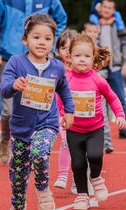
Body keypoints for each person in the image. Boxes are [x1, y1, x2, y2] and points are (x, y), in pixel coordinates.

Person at [0, 14, 74, 210]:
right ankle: (18, 204)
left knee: (40, 154)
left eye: (47, 38)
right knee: (18, 174)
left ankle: (43, 191)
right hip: (21, 127)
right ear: (25, 39)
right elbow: (4, 88)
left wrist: (69, 111)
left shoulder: (57, 67)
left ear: (53, 41)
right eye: (36, 37)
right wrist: (14, 85)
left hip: (47, 124)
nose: (42, 42)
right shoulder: (16, 62)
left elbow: (64, 90)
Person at [0, 0, 68, 165]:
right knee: (9, 110)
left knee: (36, 106)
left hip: (40, 61)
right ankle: (5, 138)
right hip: (8, 57)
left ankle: (35, 147)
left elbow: (61, 20)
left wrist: (51, 48)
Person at [66, 34, 126, 210]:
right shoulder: (66, 79)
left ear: (93, 58)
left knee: (94, 156)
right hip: (74, 130)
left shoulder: (98, 79)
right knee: (77, 164)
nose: (82, 59)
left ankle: (97, 177)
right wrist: (62, 114)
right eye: (77, 56)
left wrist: (120, 115)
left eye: (86, 56)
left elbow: (113, 98)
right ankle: (82, 196)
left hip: (95, 129)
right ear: (69, 57)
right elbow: (59, 99)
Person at [97, 0, 126, 139]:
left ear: (114, 10)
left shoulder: (119, 26)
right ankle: (99, 129)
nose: (107, 10)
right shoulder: (95, 24)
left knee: (120, 97)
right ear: (100, 9)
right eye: (104, 7)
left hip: (115, 66)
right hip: (99, 67)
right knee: (99, 100)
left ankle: (123, 129)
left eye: (110, 8)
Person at [82, 22, 114, 153]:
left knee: (103, 114)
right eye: (90, 31)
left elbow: (106, 65)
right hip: (82, 84)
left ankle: (107, 142)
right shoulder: (80, 48)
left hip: (97, 82)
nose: (92, 34)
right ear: (84, 32)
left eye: (95, 32)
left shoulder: (100, 49)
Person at [53, 29, 77, 191]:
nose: (67, 52)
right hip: (60, 115)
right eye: (63, 48)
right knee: (67, 142)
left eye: (71, 48)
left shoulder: (82, 69)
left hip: (81, 118)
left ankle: (78, 180)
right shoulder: (55, 69)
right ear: (57, 51)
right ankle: (62, 175)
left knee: (80, 149)